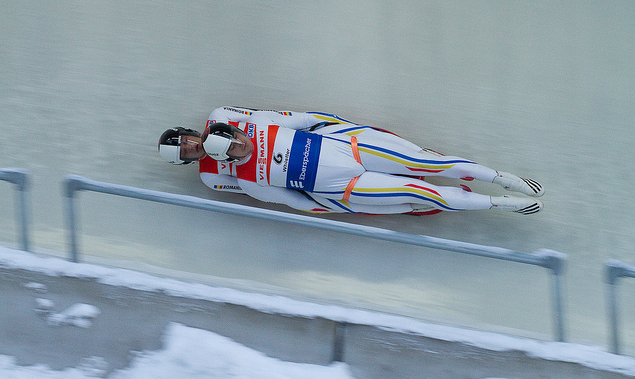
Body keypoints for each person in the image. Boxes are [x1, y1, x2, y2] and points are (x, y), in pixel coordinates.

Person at [158, 106, 544, 215]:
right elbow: (289, 201)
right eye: (236, 149)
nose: (242, 145)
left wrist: (347, 130)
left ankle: (502, 177)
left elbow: (308, 119)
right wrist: (327, 206)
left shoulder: (258, 122)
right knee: (425, 194)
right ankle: (498, 203)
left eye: (239, 139)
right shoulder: (245, 181)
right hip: (343, 189)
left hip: (348, 148)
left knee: (430, 164)